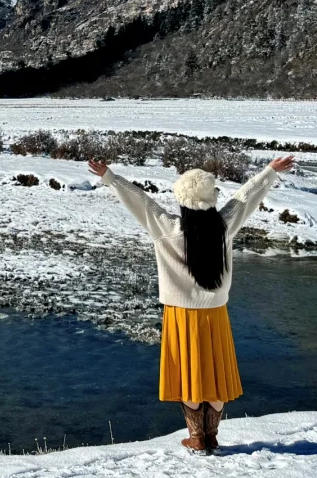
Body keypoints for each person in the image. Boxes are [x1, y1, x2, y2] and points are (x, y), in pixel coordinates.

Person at [86, 153, 296, 454]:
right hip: (215, 314)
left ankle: (196, 437)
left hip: (181, 315)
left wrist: (109, 176)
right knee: (215, 376)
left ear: (182, 200)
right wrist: (270, 172)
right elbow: (245, 197)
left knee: (190, 376)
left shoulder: (167, 228)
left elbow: (140, 201)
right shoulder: (223, 227)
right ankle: (211, 436)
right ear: (210, 199)